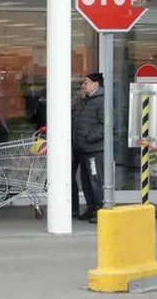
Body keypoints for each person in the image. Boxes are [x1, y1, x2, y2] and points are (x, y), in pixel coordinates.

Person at [72, 73, 105, 224]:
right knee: (86, 182)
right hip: (82, 149)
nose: (83, 86)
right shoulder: (85, 101)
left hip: (93, 148)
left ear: (95, 84)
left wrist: (89, 138)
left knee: (95, 180)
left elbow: (106, 125)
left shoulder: (101, 101)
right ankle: (91, 208)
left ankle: (100, 210)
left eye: (86, 83)